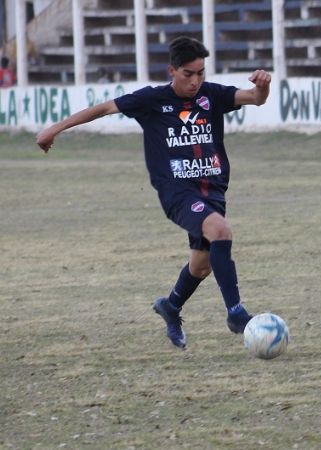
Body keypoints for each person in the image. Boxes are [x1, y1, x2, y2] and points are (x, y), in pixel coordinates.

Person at [36, 36, 272, 349]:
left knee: (201, 265)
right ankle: (236, 314)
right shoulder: (151, 100)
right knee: (221, 231)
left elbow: (256, 98)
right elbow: (105, 107)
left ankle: (171, 306)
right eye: (189, 74)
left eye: (201, 73)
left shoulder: (212, 95)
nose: (196, 80)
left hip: (212, 191)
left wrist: (264, 85)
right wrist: (56, 129)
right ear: (172, 71)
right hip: (177, 191)